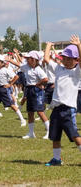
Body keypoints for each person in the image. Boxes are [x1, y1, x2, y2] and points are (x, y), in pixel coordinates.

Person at [44, 36, 81, 166]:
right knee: (55, 135)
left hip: (67, 109)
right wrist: (48, 45)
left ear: (76, 60)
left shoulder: (77, 72)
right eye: (63, 58)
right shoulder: (60, 69)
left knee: (74, 135)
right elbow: (46, 59)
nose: (64, 60)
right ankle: (56, 159)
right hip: (56, 108)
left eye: (68, 58)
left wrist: (78, 45)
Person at [7, 51, 50, 139]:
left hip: (37, 90)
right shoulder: (26, 67)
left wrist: (39, 83)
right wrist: (10, 60)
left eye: (28, 58)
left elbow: (45, 79)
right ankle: (31, 133)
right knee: (30, 112)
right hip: (29, 89)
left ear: (34, 60)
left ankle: (49, 131)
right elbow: (19, 65)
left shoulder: (38, 69)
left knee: (40, 112)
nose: (26, 60)